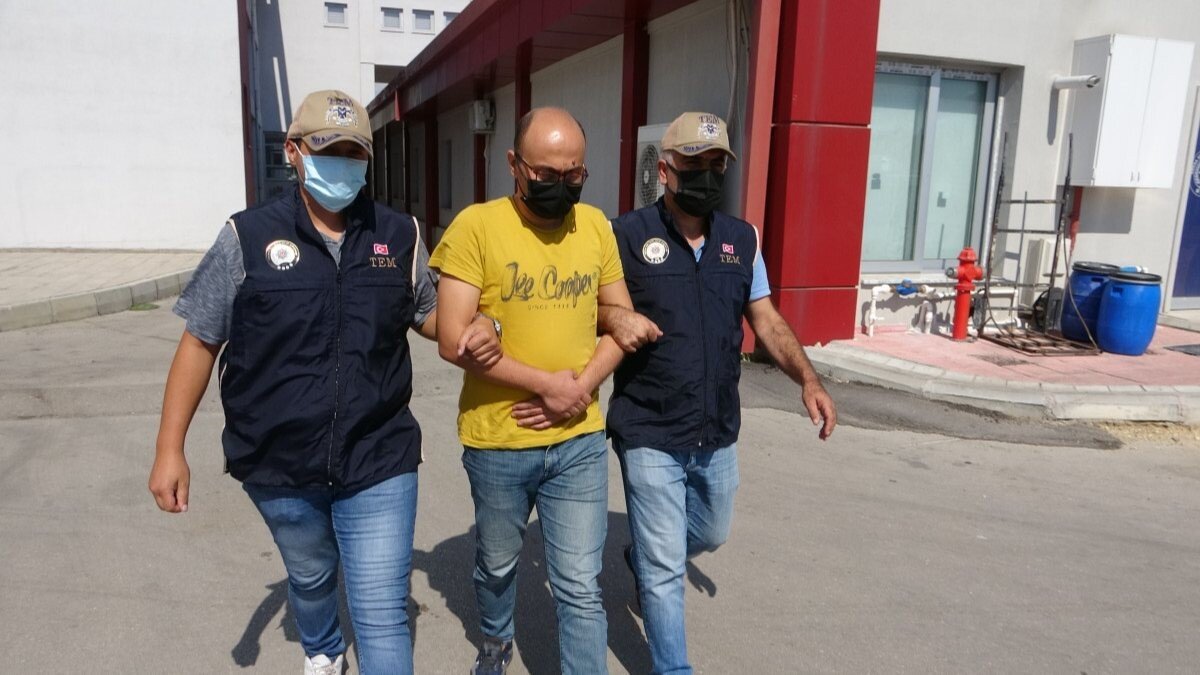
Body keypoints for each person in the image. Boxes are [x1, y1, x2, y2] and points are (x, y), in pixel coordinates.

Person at [147, 90, 499, 675]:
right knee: (311, 578)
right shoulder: (246, 237)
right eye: (326, 149)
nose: (342, 162)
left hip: (378, 455)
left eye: (353, 152)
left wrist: (478, 324)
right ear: (293, 151)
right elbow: (201, 341)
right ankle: (324, 648)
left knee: (382, 610)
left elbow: (429, 314)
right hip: (277, 461)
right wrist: (169, 448)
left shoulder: (398, 234)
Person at [600, 112, 838, 675]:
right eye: (694, 164)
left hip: (717, 428)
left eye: (716, 165)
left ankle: (640, 553)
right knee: (664, 570)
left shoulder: (741, 240)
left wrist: (808, 379)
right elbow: (593, 308)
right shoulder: (623, 236)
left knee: (711, 531)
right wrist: (611, 318)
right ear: (665, 170)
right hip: (649, 426)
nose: (706, 175)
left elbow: (766, 319)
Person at [429, 107, 639, 675]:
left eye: (574, 175)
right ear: (514, 165)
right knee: (498, 565)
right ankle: (496, 641)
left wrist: (580, 389)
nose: (560, 186)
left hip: (579, 442)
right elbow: (451, 339)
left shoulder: (595, 226)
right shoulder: (476, 227)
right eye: (546, 174)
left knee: (580, 584)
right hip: (499, 442)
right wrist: (548, 385)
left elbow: (621, 323)